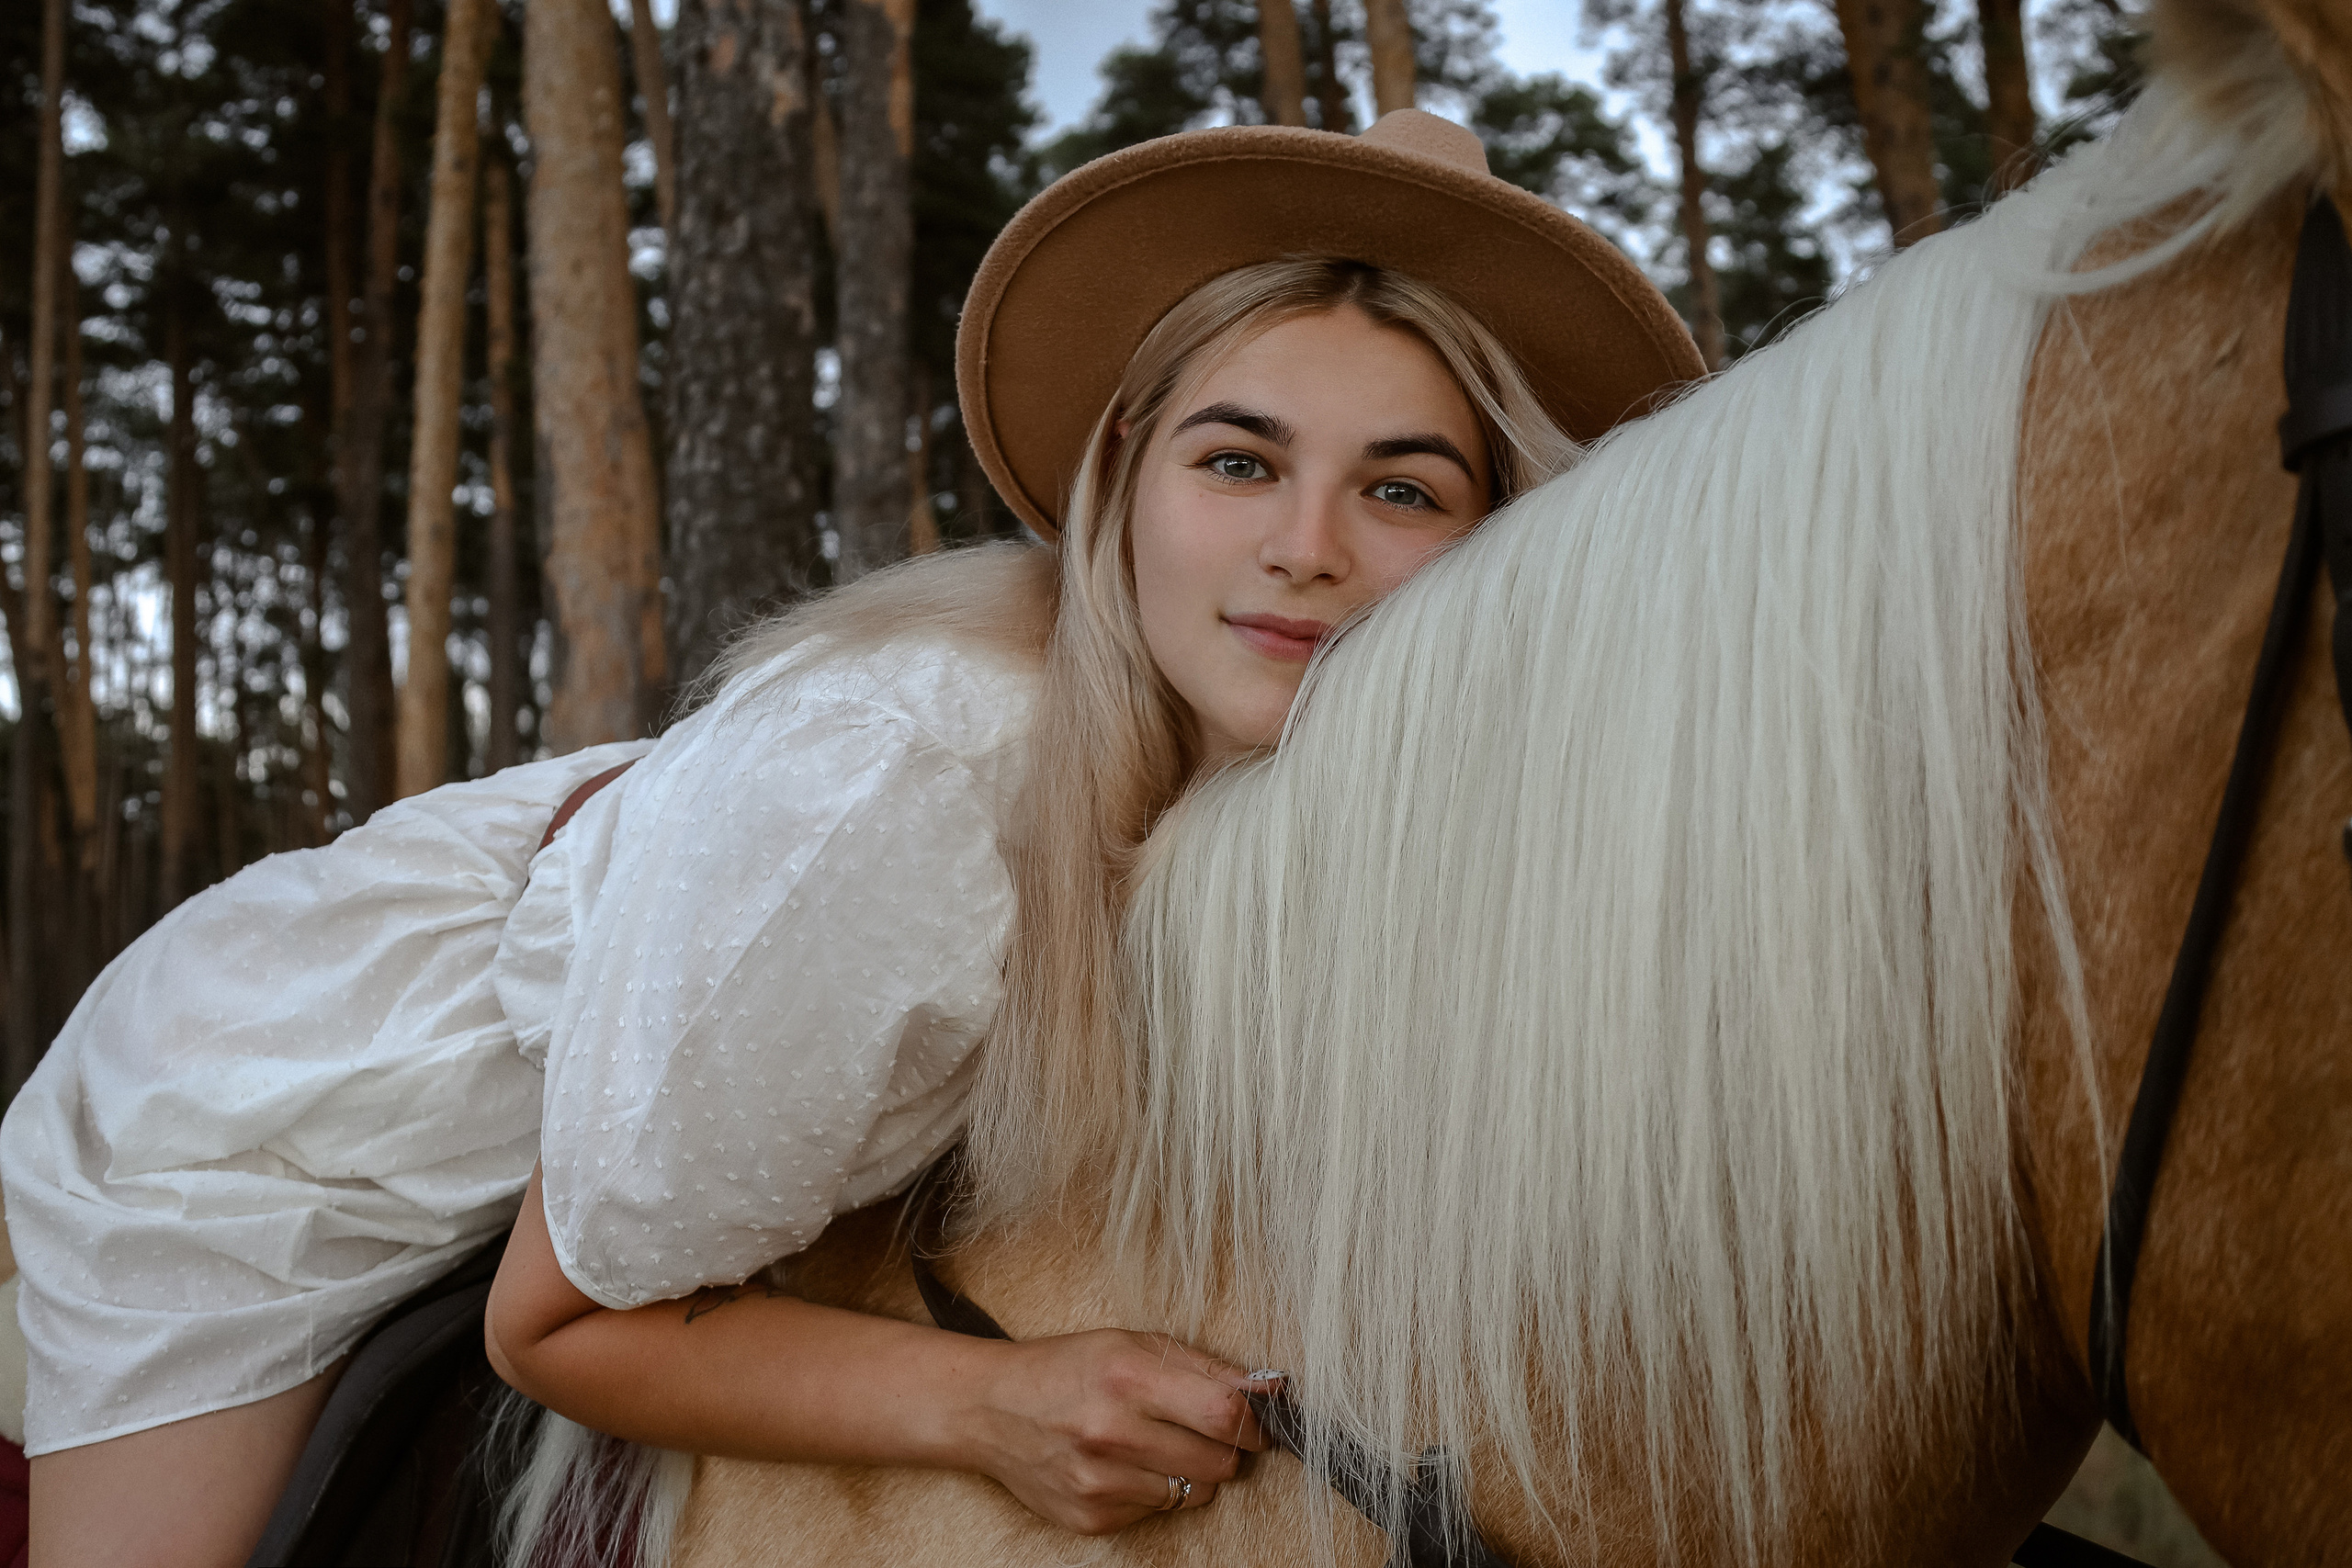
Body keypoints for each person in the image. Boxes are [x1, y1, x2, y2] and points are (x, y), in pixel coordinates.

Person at [0, 108, 1702, 1568]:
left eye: (1405, 488)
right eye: (1240, 459)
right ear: (1125, 474)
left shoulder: (1333, 751)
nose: (1310, 547)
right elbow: (558, 1325)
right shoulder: (904, 790)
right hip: (306, 1094)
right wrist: (999, 1401)